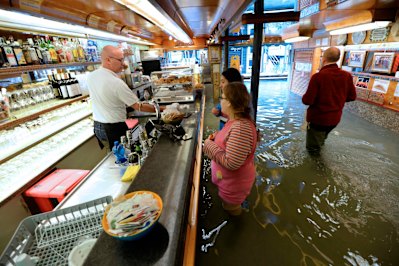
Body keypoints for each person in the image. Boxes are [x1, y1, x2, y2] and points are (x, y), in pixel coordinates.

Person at [87, 45, 164, 151]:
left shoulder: (92, 76)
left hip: (98, 127)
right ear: (108, 60)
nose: (123, 64)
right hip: (113, 127)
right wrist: (163, 109)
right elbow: (139, 106)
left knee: (113, 155)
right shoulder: (115, 82)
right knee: (125, 155)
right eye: (120, 60)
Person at [204, 82, 258, 216]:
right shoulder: (234, 121)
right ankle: (240, 204)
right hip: (230, 182)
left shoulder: (241, 128)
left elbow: (232, 163)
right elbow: (230, 140)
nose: (220, 101)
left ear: (230, 102)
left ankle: (240, 224)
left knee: (231, 210)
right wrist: (217, 138)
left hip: (234, 186)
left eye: (222, 98)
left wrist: (208, 145)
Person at [302, 46, 356, 155]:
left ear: (324, 59)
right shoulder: (347, 76)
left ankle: (319, 170)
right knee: (320, 141)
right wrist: (336, 100)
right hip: (335, 120)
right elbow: (352, 97)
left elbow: (307, 100)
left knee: (312, 151)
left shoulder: (318, 77)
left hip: (318, 120)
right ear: (338, 59)